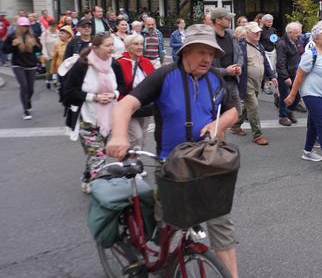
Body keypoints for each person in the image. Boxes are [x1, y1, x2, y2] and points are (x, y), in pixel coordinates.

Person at [106, 24, 240, 277]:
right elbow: (124, 106)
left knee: (221, 221)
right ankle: (161, 259)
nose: (208, 58)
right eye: (201, 52)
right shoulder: (164, 75)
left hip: (209, 161)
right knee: (169, 221)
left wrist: (218, 123)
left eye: (211, 53)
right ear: (185, 51)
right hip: (172, 164)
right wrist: (119, 136)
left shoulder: (215, 77)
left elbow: (234, 109)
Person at [62, 32, 124, 193]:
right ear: (95, 47)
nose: (112, 48)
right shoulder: (82, 65)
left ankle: (87, 177)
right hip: (86, 118)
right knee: (99, 154)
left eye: (112, 45)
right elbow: (68, 91)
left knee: (96, 153)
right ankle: (100, 190)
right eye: (108, 45)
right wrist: (93, 97)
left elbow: (123, 87)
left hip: (108, 117)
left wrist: (114, 94)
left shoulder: (114, 64)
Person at [284, 20, 322, 173]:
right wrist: (292, 95)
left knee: (313, 125)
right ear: (316, 38)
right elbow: (299, 76)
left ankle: (307, 152)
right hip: (312, 94)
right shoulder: (310, 54)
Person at [236, 22, 277, 145]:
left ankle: (236, 124)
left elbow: (265, 62)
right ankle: (257, 135)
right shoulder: (241, 46)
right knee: (253, 106)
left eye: (259, 31)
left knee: (248, 106)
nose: (258, 34)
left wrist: (271, 76)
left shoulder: (260, 46)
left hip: (257, 82)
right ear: (247, 33)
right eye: (255, 32)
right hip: (246, 81)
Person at [117, 34, 155, 151]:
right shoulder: (120, 63)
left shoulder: (146, 62)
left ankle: (133, 162)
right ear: (128, 47)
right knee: (136, 136)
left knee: (142, 137)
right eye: (136, 44)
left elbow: (155, 82)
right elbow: (117, 87)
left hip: (145, 106)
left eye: (141, 44)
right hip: (128, 105)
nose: (139, 47)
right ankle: (128, 161)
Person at [210, 8, 243, 132]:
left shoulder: (231, 34)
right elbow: (205, 67)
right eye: (227, 18)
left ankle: (221, 138)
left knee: (235, 114)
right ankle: (217, 143)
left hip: (232, 82)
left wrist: (238, 66)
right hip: (215, 85)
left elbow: (239, 54)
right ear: (218, 20)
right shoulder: (209, 38)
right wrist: (225, 71)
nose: (230, 20)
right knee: (215, 117)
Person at [2, 17, 42, 119]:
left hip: (31, 64)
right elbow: (4, 50)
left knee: (31, 89)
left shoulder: (32, 36)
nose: (24, 28)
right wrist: (13, 45)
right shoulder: (12, 36)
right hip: (17, 64)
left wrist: (35, 45)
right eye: (22, 26)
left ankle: (27, 100)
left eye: (26, 26)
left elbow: (39, 49)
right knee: (24, 86)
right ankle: (25, 111)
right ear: (18, 26)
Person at [276, 22, 302, 126]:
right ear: (289, 33)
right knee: (285, 96)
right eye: (296, 33)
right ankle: (283, 116)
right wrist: (285, 76)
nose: (298, 35)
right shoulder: (281, 43)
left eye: (299, 33)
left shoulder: (296, 41)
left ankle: (289, 111)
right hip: (285, 75)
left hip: (294, 72)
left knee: (297, 96)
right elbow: (280, 62)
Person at [40, 19, 60, 89]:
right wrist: (46, 55)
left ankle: (56, 83)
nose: (54, 28)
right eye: (52, 26)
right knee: (49, 71)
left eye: (55, 26)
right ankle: (47, 80)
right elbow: (43, 46)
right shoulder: (45, 34)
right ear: (49, 26)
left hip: (57, 55)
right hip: (48, 55)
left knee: (56, 70)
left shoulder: (58, 32)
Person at [259, 13, 278, 82]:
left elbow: (276, 39)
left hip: (272, 50)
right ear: (264, 22)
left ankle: (271, 82)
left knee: (272, 67)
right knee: (266, 68)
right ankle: (266, 83)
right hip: (264, 51)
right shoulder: (261, 30)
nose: (270, 23)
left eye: (271, 22)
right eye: (268, 22)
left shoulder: (273, 30)